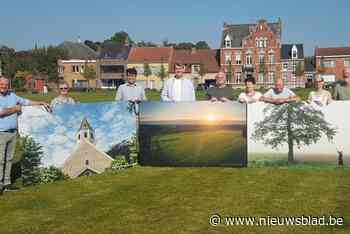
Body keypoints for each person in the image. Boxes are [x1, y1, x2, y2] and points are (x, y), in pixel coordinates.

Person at [0, 76, 50, 195]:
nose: (3, 86)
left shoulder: (12, 96)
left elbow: (26, 102)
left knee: (9, 159)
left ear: (9, 85)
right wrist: (15, 108)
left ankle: (6, 184)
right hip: (1, 133)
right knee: (0, 160)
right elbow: (1, 112)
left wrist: (41, 102)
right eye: (1, 84)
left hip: (13, 133)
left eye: (6, 84)